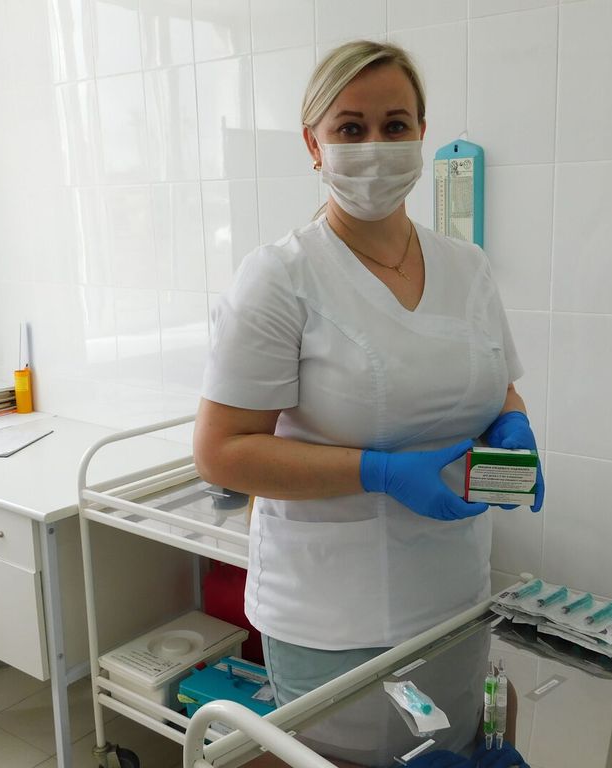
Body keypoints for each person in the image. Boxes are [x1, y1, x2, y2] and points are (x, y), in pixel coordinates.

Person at [194, 39, 540, 766]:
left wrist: (513, 424)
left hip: (454, 596)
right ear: (313, 144)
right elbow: (221, 452)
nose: (375, 146)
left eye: (394, 125)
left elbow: (499, 381)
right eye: (350, 128)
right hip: (334, 616)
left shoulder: (466, 266)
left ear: (422, 133)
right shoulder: (280, 277)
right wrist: (378, 472)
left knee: (454, 746)